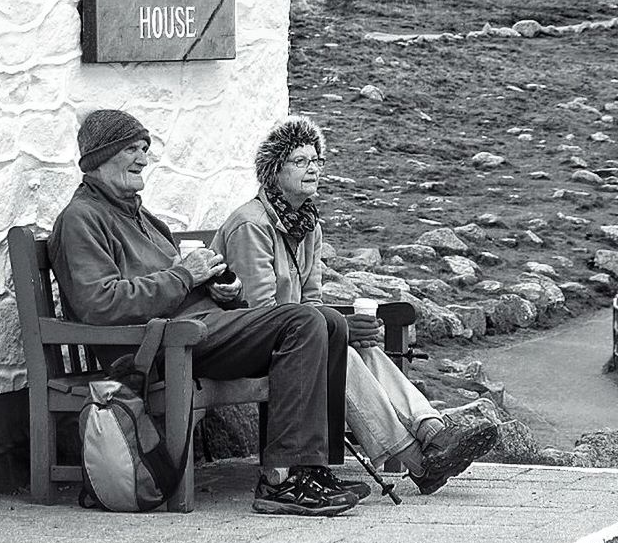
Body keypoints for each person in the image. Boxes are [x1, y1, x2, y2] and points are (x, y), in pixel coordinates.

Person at [49, 109, 364, 517]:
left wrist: (225, 291)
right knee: (302, 320)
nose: (143, 158)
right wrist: (183, 275)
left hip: (199, 329)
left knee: (329, 322)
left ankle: (312, 469)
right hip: (160, 346)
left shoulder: (141, 216)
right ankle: (281, 480)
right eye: (131, 149)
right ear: (98, 158)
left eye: (145, 149)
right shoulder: (81, 219)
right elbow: (99, 304)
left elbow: (186, 285)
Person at [212, 116, 499, 495]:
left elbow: (310, 301)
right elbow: (260, 314)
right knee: (338, 352)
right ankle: (419, 460)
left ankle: (433, 432)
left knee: (357, 347)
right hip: (243, 341)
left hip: (291, 336)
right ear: (274, 170)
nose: (312, 168)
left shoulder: (307, 225)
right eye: (300, 161)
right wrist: (337, 329)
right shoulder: (252, 226)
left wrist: (345, 329)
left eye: (316, 161)